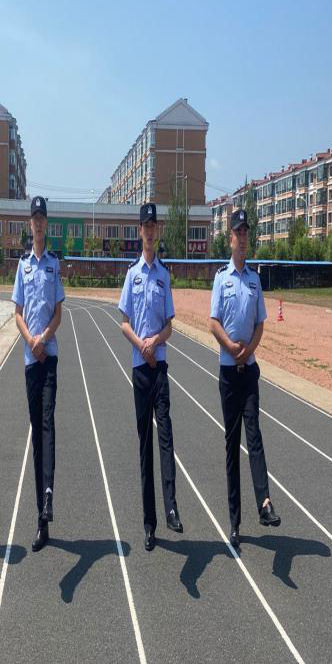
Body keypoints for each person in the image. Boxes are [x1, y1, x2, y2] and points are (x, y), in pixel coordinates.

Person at [208, 208, 281, 549]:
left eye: (246, 233)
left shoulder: (254, 280)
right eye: (238, 233)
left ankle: (265, 503)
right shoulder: (221, 278)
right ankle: (234, 522)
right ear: (230, 239)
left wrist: (248, 349)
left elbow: (261, 323)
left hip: (249, 370)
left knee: (255, 435)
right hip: (228, 373)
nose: (243, 238)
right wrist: (230, 346)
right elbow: (213, 323)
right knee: (231, 446)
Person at [118, 203, 183, 552]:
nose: (149, 231)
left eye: (153, 226)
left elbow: (170, 325)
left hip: (159, 366)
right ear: (139, 230)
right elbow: (124, 323)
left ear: (157, 231)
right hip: (139, 370)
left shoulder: (163, 275)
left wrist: (154, 342)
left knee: (166, 436)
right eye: (145, 226)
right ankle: (149, 523)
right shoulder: (132, 275)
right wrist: (140, 345)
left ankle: (171, 507)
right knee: (144, 446)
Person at [12, 196, 65, 552]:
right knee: (36, 434)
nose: (39, 223)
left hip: (49, 355)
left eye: (43, 217)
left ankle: (48, 493)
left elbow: (59, 312)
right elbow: (17, 313)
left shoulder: (54, 265)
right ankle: (40, 520)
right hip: (30, 358)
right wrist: (31, 340)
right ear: (30, 224)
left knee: (47, 422)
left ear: (47, 223)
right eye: (35, 218)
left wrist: (44, 337)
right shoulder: (22, 266)